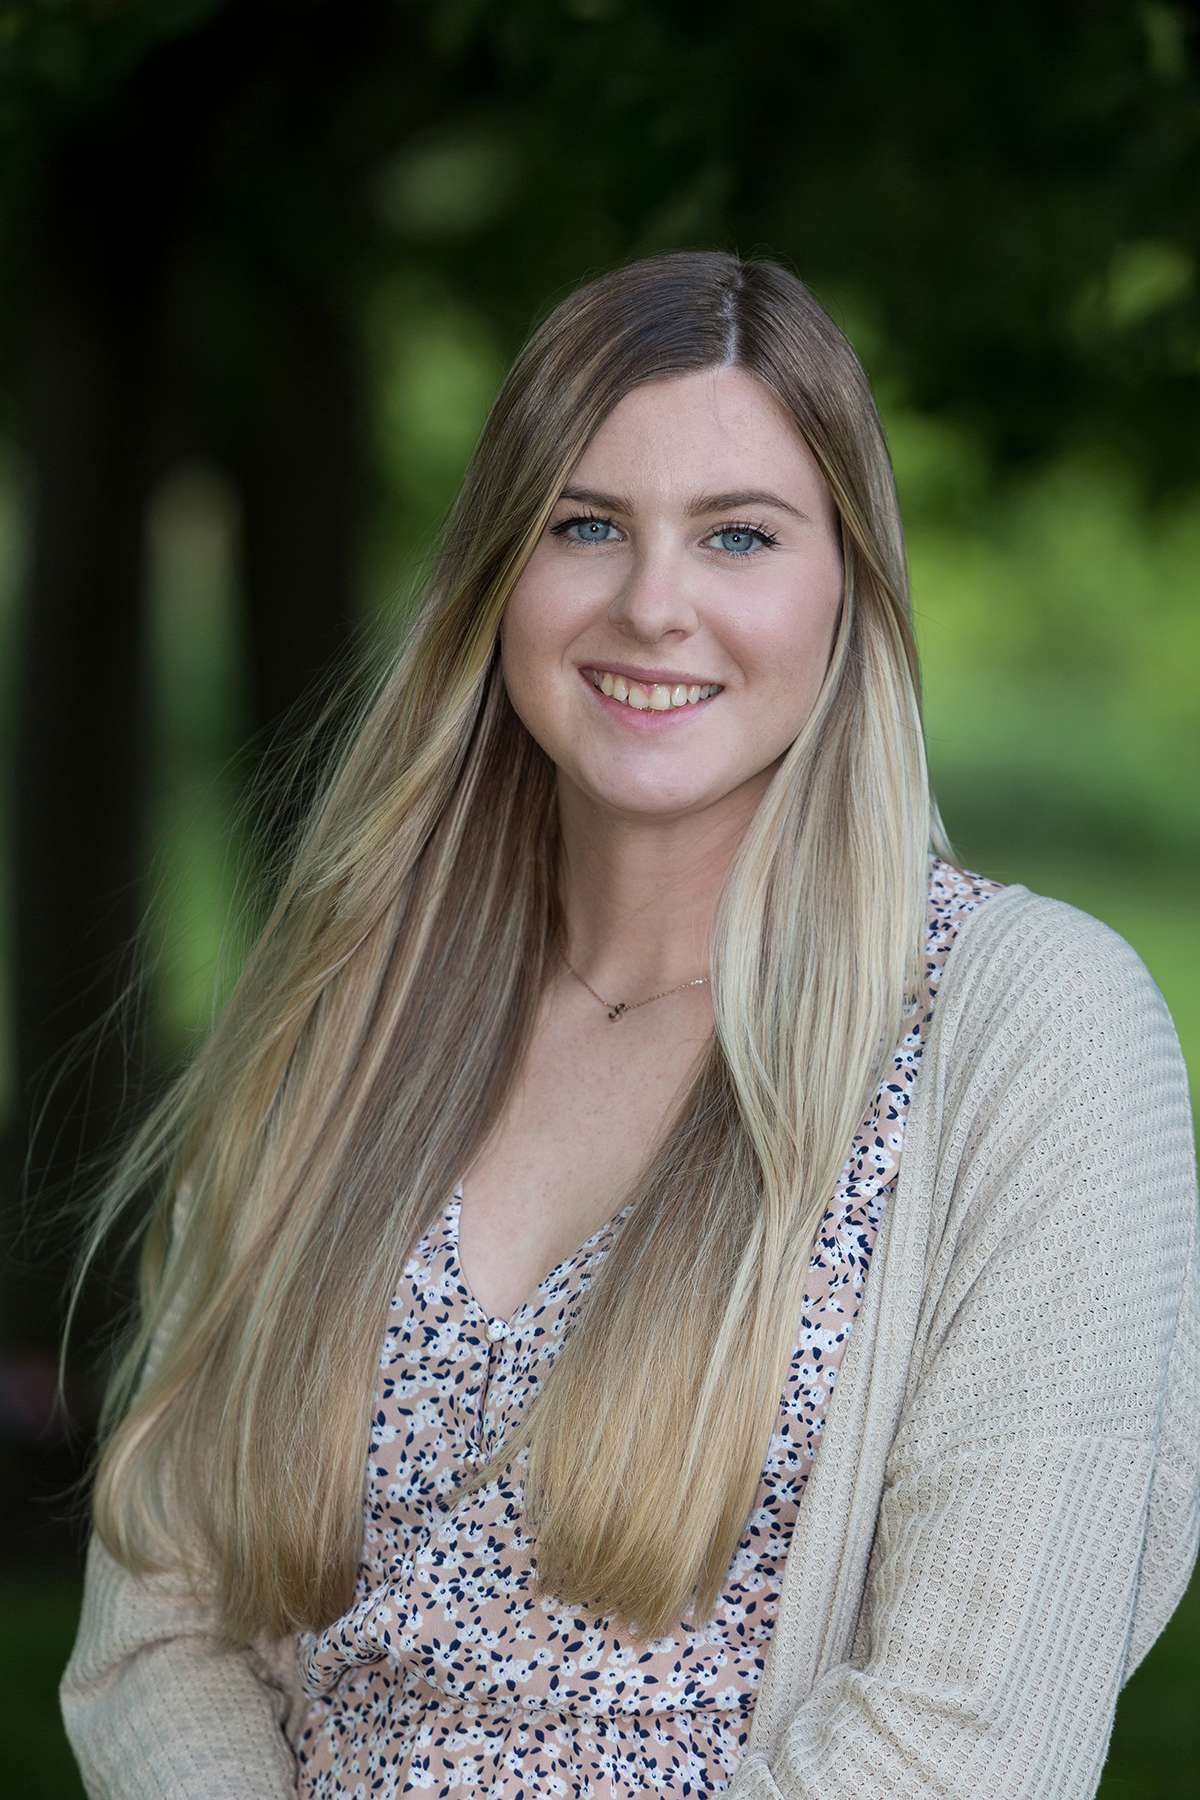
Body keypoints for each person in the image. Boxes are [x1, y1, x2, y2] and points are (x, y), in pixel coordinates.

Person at [59, 248, 1198, 1799]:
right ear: (497, 577)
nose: (654, 606)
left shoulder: (1026, 1025)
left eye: (739, 535)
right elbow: (160, 1632)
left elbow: (971, 1736)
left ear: (851, 586)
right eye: (585, 526)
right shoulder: (351, 1015)